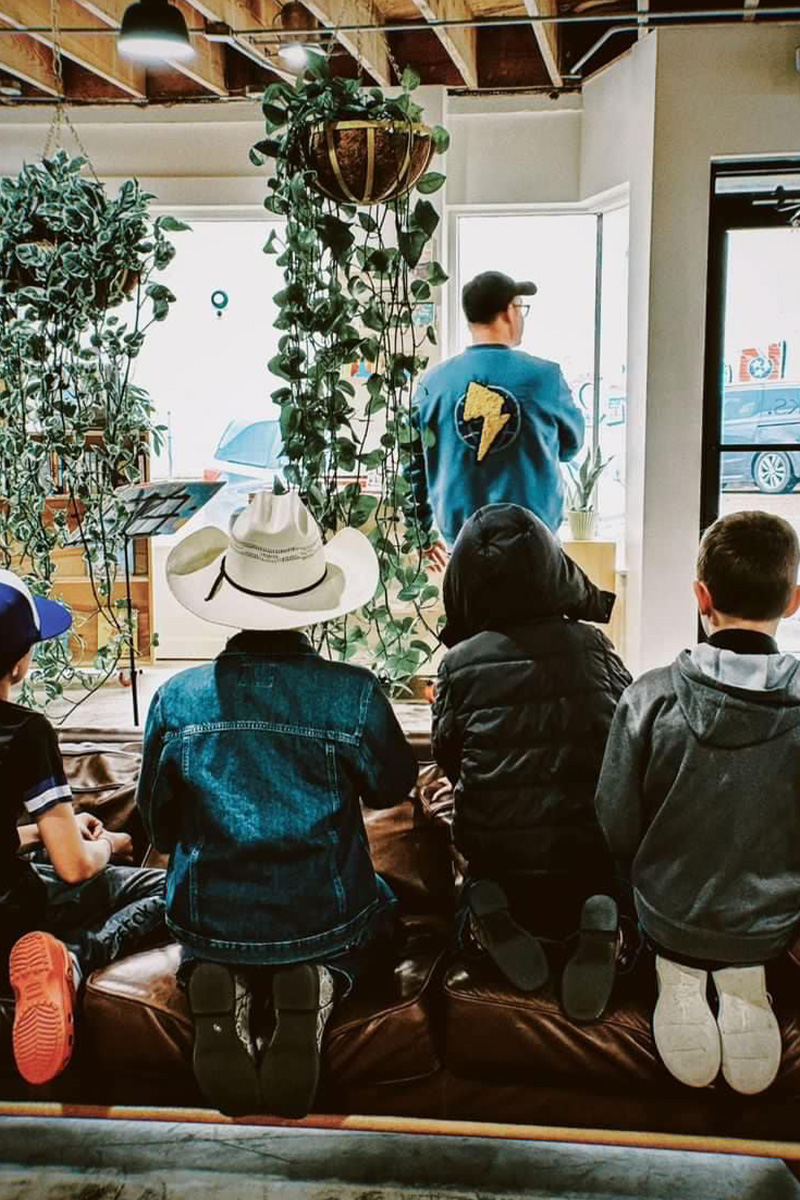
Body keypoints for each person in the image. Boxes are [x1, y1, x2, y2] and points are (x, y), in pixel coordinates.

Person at [136, 490, 418, 1119]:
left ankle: (212, 975)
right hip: (324, 913)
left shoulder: (176, 701)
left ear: (227, 591)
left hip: (211, 916)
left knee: (203, 935)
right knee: (385, 909)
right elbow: (393, 787)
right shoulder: (353, 695)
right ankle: (325, 979)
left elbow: (156, 824)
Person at [595, 510, 800, 1096]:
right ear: (793, 602)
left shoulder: (649, 698)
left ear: (701, 596)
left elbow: (615, 823)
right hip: (770, 926)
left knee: (669, 921)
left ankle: (679, 973)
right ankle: (743, 981)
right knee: (746, 947)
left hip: (666, 914)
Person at [431, 504, 632, 1021]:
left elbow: (450, 760)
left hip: (502, 855)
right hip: (586, 852)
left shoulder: (457, 665)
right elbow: (625, 738)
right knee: (604, 881)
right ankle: (600, 919)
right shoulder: (595, 647)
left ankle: (485, 909)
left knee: (475, 877)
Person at [0, 570, 165, 1087]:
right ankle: (71, 959)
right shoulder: (24, 732)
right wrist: (110, 844)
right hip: (11, 911)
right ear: (22, 661)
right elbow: (73, 867)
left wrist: (39, 835)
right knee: (176, 884)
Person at [406, 270, 585, 568]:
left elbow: (413, 466)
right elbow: (571, 446)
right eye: (520, 308)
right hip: (534, 548)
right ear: (508, 312)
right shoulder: (544, 377)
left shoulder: (432, 384)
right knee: (536, 616)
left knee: (471, 616)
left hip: (462, 548)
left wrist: (421, 532)